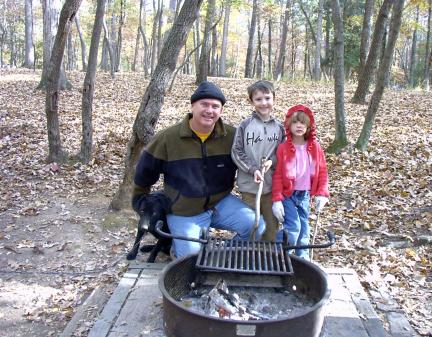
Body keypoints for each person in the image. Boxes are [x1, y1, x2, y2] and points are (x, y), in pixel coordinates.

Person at [132, 81, 265, 258]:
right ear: (193, 106)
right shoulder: (167, 139)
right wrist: (140, 201)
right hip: (184, 210)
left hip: (220, 203)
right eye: (204, 104)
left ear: (221, 111)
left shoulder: (233, 137)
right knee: (190, 258)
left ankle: (222, 258)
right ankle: (180, 249)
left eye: (215, 106)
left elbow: (257, 154)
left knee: (258, 226)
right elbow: (144, 173)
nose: (209, 110)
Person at [271, 104, 329, 258]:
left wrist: (322, 193)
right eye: (295, 122)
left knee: (304, 230)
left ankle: (302, 261)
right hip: (288, 195)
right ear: (289, 125)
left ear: (308, 126)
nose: (299, 126)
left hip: (304, 195)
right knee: (293, 227)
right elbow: (277, 175)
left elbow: (322, 170)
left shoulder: (315, 147)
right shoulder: (283, 148)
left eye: (303, 123)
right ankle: (281, 256)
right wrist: (277, 200)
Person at [231, 80, 285, 241]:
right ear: (251, 101)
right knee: (252, 225)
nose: (264, 103)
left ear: (274, 99)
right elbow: (236, 151)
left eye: (267, 98)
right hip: (249, 187)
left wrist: (272, 161)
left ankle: (268, 258)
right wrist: (252, 169)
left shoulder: (279, 128)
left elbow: (282, 153)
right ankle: (248, 257)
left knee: (270, 228)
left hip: (271, 187)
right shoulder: (245, 125)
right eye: (258, 99)